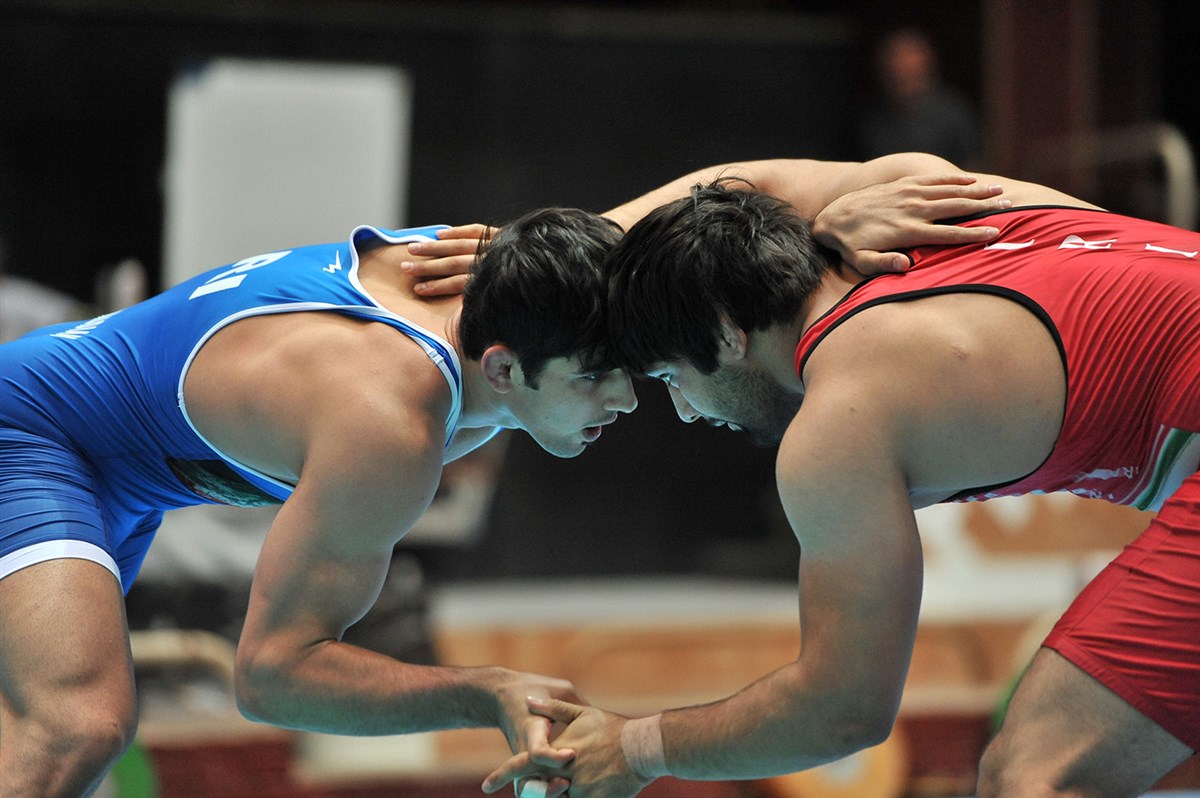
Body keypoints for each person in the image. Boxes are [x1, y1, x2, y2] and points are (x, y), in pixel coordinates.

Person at [0, 160, 1005, 796]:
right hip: (31, 438)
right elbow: (272, 675)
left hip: (119, 475)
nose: (626, 402)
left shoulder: (521, 281)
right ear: (504, 370)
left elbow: (714, 191)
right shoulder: (388, 423)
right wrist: (483, 690)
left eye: (634, 372)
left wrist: (842, 208)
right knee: (78, 725)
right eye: (599, 378)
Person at [479, 153, 1200, 798]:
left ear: (727, 333)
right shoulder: (931, 197)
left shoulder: (840, 420)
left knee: (1037, 773)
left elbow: (844, 710)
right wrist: (531, 262)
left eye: (672, 378)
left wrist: (634, 749)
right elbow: (746, 185)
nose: (689, 412)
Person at [858, 29, 981, 168]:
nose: (901, 70)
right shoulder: (869, 117)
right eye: (895, 59)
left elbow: (972, 164)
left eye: (909, 70)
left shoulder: (953, 113)